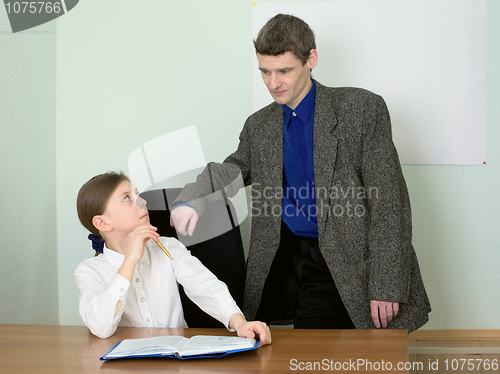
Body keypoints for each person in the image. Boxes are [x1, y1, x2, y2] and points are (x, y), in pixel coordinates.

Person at [170, 14, 431, 331]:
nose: (273, 83)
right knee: (301, 345)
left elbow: (389, 205)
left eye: (284, 71)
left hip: (348, 257)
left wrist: (386, 285)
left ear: (311, 59)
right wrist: (192, 198)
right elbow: (232, 170)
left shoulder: (361, 109)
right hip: (290, 256)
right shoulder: (259, 125)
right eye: (265, 72)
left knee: (357, 348)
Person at [73, 171, 271, 343]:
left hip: (175, 359)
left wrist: (240, 323)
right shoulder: (88, 271)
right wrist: (131, 259)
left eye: (138, 194)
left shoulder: (169, 248)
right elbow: (100, 327)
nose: (142, 202)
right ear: (102, 223)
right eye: (126, 198)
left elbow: (206, 286)